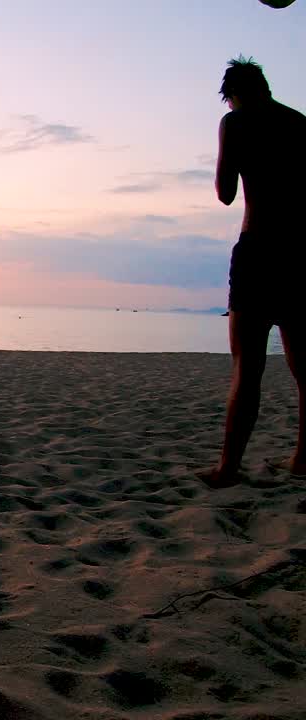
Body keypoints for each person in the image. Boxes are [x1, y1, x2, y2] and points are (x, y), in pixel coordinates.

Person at [205, 57, 306, 488]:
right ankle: (302, 459)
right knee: (305, 370)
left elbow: (226, 193)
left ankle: (228, 468)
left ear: (232, 95)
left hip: (259, 249)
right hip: (301, 254)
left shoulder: (236, 122)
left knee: (247, 368)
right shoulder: (300, 123)